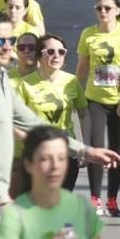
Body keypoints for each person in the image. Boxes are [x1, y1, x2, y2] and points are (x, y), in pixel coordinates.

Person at [0, 9, 120, 201]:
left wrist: (84, 150)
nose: (7, 47)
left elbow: (33, 124)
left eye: (10, 41)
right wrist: (1, 196)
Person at [76, 0, 120, 216]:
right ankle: (95, 199)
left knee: (116, 149)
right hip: (95, 99)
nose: (103, 12)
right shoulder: (88, 34)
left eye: (107, 8)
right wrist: (76, 92)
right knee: (95, 147)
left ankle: (112, 198)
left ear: (117, 11)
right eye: (99, 8)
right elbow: (82, 67)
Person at [20, 35, 88, 191]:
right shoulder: (25, 84)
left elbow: (84, 114)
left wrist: (84, 146)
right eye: (50, 51)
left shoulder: (72, 81)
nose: (56, 55)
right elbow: (16, 121)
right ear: (39, 56)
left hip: (67, 152)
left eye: (61, 52)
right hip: (37, 154)